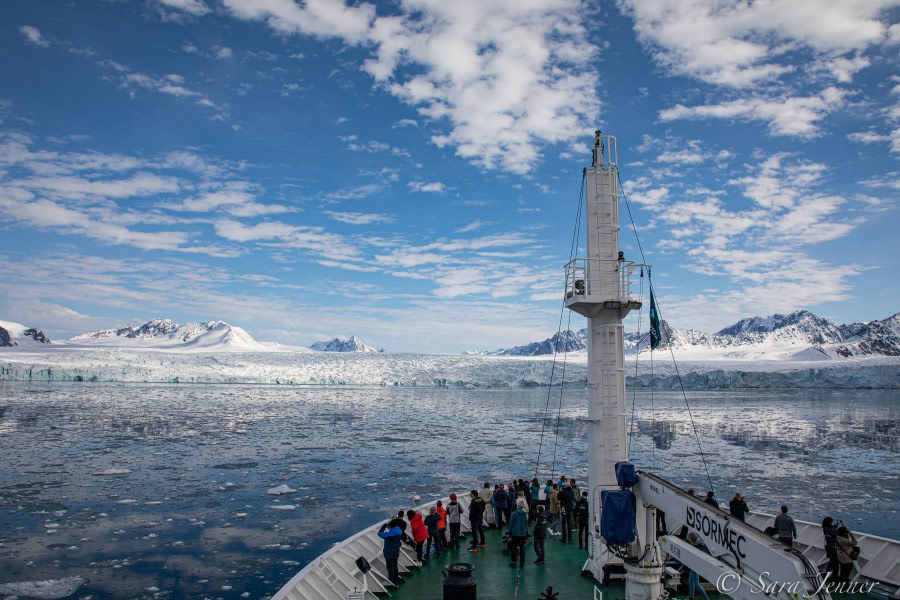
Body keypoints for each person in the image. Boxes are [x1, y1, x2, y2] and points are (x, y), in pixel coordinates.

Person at [378, 517, 413, 584]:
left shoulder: (389, 535)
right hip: (396, 551)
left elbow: (379, 533)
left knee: (389, 567)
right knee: (395, 565)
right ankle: (395, 579)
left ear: (389, 526)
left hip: (389, 552)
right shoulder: (399, 531)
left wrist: (385, 525)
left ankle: (392, 581)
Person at [687, 533, 711, 600]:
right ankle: (691, 597)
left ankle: (706, 598)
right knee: (690, 581)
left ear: (692, 540)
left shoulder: (696, 545)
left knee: (696, 583)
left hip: (695, 564)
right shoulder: (700, 543)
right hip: (696, 563)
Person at [507, 498, 529, 568]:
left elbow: (511, 524)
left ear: (517, 505)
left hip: (515, 534)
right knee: (522, 549)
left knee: (513, 548)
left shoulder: (513, 514)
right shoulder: (525, 514)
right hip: (522, 534)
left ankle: (514, 562)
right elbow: (526, 524)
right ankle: (522, 562)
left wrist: (509, 533)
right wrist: (526, 533)